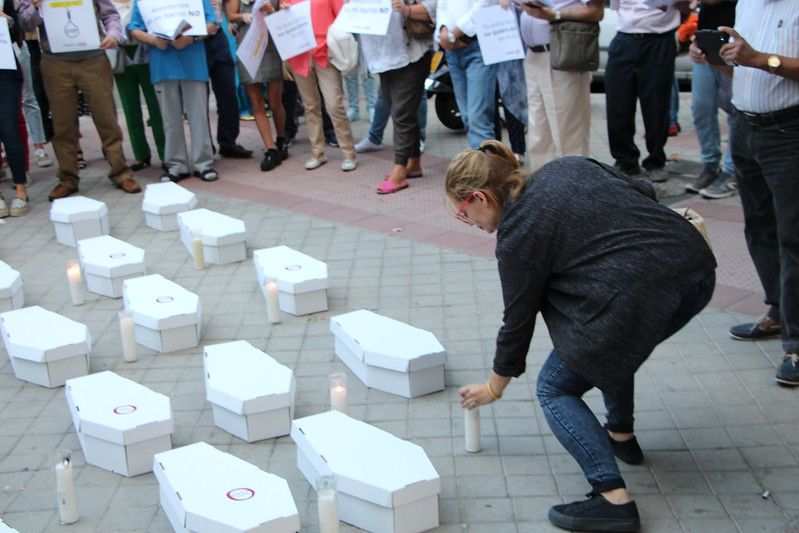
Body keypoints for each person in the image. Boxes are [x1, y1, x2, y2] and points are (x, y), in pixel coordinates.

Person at [447, 141, 716, 531]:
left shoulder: (518, 234)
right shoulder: (565, 167)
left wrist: (495, 385)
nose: (466, 220)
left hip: (643, 293)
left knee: (555, 388)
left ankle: (612, 499)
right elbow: (644, 192)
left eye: (462, 212)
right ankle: (621, 435)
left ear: (480, 197)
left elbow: (518, 320)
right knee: (610, 342)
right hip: (696, 269)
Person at [690, 1, 799, 386]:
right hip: (745, 126)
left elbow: (763, 63)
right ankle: (777, 311)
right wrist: (713, 59)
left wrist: (759, 59)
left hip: (790, 131)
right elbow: (737, 68)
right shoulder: (747, 3)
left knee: (793, 237)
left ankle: (797, 343)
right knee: (759, 228)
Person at [18, 0, 142, 200]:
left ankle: (121, 172)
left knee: (106, 119)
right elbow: (26, 25)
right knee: (63, 125)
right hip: (55, 63)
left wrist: (113, 34)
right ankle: (68, 179)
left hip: (93, 59)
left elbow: (110, 14)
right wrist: (33, 5)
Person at [129, 0, 220, 182]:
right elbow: (134, 29)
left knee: (198, 116)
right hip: (162, 65)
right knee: (170, 119)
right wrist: (153, 40)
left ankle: (203, 164)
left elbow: (212, 23)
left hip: (193, 63)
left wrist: (191, 38)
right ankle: (176, 165)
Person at [518, 0, 603, 170]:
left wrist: (554, 15)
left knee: (569, 137)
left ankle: (573, 189)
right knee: (539, 135)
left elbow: (596, 11)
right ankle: (544, 190)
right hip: (534, 55)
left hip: (562, 53)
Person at [361, 0, 435, 194]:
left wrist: (406, 10)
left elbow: (433, 7)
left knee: (401, 112)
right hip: (383, 54)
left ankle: (400, 169)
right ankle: (414, 163)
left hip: (411, 53)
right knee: (403, 110)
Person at [604, 0, 680, 179]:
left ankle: (655, 160)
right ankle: (625, 160)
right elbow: (616, 6)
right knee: (618, 104)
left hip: (659, 38)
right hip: (625, 38)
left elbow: (685, 6)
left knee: (656, 105)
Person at [284, 0, 356, 171]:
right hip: (299, 54)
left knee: (334, 105)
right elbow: (283, 20)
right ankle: (317, 152)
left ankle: (348, 153)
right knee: (310, 106)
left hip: (326, 52)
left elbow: (343, 18)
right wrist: (283, 11)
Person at [684, 0, 737, 199]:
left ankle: (732, 171)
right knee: (700, 107)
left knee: (735, 111)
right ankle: (710, 165)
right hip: (706, 39)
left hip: (735, 41)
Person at [226, 0, 287, 171]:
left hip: (270, 43)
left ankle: (281, 140)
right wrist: (242, 16)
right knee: (256, 103)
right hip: (248, 44)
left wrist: (273, 10)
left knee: (275, 101)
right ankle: (271, 149)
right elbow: (230, 14)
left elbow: (282, 11)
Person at [110, 0, 165, 172]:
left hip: (147, 55)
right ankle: (141, 154)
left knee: (156, 107)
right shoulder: (107, 3)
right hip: (120, 58)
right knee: (130, 108)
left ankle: (166, 153)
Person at [436, 0, 497, 149]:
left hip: (477, 45)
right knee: (467, 116)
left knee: (478, 118)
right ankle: (480, 163)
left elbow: (484, 4)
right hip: (453, 50)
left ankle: (486, 168)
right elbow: (442, 6)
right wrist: (443, 30)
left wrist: (454, 34)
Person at [0, 1, 30, 216]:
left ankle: (20, 189)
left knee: (10, 130)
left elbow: (22, 30)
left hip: (6, 71)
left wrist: (8, 21)